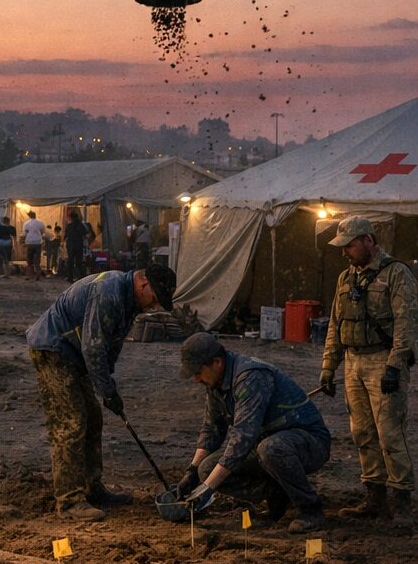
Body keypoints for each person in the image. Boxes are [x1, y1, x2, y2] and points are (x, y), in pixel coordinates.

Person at [26, 263, 177, 520]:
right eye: (155, 298)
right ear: (143, 284)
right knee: (71, 422)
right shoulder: (109, 293)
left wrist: (109, 388)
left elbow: (110, 348)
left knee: (93, 419)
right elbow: (93, 348)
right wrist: (107, 390)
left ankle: (91, 487)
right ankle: (69, 501)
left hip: (72, 354)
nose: (154, 306)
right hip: (53, 350)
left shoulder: (130, 303)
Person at [175, 333, 331, 533]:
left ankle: (310, 509)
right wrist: (192, 471)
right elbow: (212, 430)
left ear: (217, 362)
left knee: (271, 449)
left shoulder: (250, 377)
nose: (196, 379)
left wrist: (207, 489)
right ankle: (278, 493)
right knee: (206, 469)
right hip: (265, 444)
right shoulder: (215, 383)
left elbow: (242, 439)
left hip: (308, 442)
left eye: (198, 372)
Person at [319, 216, 418, 528]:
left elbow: (406, 324)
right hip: (354, 362)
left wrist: (394, 364)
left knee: (390, 432)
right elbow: (336, 326)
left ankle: (401, 502)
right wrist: (328, 367)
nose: (345, 252)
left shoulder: (396, 274)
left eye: (349, 245)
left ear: (368, 241)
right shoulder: (345, 279)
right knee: (362, 432)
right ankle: (374, 496)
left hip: (382, 361)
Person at [22, 210, 47, 281]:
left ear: (29, 216)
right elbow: (43, 232)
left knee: (29, 260)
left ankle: (28, 276)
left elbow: (25, 233)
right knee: (37, 260)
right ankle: (37, 275)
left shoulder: (26, 223)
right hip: (37, 242)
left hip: (29, 242)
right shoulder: (40, 222)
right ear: (35, 215)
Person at [63, 211, 86, 283]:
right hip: (79, 245)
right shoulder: (81, 225)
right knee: (79, 262)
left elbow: (65, 236)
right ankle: (82, 277)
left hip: (71, 246)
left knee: (70, 262)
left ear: (71, 217)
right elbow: (85, 233)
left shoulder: (69, 226)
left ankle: (70, 277)